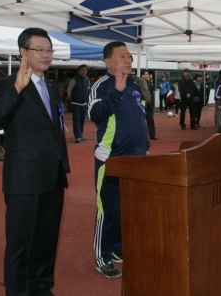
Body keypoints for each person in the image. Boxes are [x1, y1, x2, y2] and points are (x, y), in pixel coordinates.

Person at [0, 27, 70, 296]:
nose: (46, 55)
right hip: (24, 177)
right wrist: (17, 89)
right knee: (21, 242)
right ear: (24, 52)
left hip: (53, 174)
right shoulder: (8, 84)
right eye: (40, 50)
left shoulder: (52, 87)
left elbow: (54, 129)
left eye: (49, 50)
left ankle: (42, 287)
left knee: (47, 239)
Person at [89, 41, 150, 278]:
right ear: (107, 61)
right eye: (122, 56)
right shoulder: (102, 86)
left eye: (130, 57)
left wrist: (145, 147)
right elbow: (95, 114)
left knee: (128, 210)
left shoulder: (135, 86)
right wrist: (116, 89)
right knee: (109, 211)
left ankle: (118, 249)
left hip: (136, 160)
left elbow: (140, 121)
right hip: (111, 160)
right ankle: (102, 257)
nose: (128, 61)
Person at [67, 64, 91, 143]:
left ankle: (81, 135)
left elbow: (88, 89)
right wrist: (72, 99)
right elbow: (69, 90)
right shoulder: (74, 80)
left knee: (82, 120)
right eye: (82, 70)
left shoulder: (87, 79)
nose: (84, 71)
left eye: (85, 70)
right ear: (78, 71)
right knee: (76, 120)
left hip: (84, 104)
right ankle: (78, 136)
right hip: (76, 104)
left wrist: (87, 100)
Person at [142, 70, 158, 140]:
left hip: (149, 105)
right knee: (141, 121)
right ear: (142, 75)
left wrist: (152, 104)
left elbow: (151, 94)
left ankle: (152, 135)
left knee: (150, 120)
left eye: (148, 74)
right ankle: (141, 136)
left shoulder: (149, 83)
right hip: (142, 105)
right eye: (146, 74)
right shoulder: (138, 83)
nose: (147, 75)